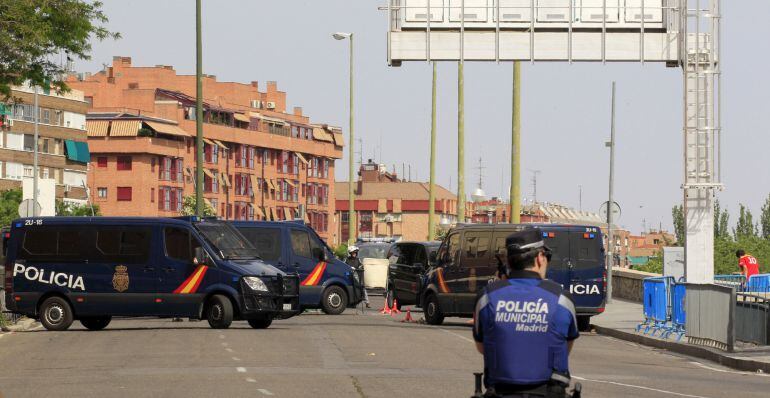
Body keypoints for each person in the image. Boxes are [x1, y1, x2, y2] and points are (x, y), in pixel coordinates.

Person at [473, 228, 579, 397]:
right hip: (549, 391)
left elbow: (481, 346)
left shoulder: (486, 297)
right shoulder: (562, 299)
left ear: (508, 261)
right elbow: (567, 343)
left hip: (500, 391)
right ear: (539, 258)